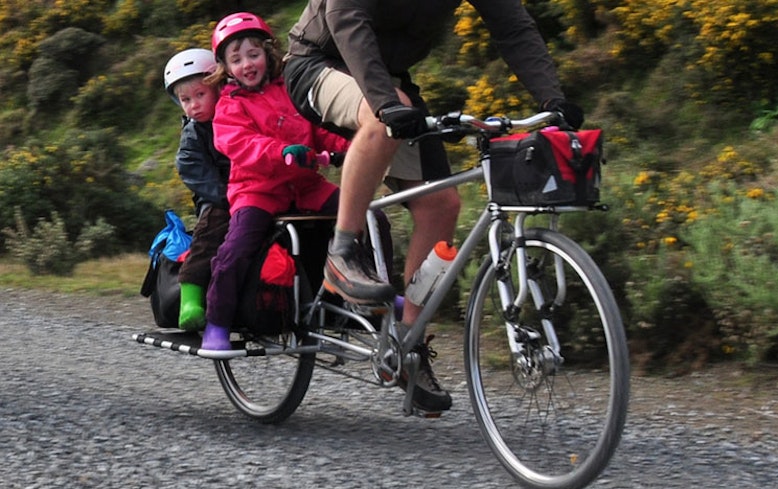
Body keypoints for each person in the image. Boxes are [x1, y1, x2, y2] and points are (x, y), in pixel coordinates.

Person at [283, 1, 585, 414]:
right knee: (379, 117)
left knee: (441, 205)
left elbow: (513, 29)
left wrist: (554, 100)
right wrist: (385, 100)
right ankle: (341, 252)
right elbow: (345, 16)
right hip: (317, 63)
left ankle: (407, 344)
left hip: (388, 80)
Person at [200, 12, 351, 350]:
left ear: (267, 54)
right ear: (225, 67)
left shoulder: (292, 90)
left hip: (305, 186)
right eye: (236, 60)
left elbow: (321, 130)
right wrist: (282, 151)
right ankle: (217, 322)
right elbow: (239, 144)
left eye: (253, 54)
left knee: (366, 216)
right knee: (236, 250)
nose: (247, 64)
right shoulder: (229, 105)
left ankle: (369, 298)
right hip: (257, 190)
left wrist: (354, 147)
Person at [162, 48, 231, 332]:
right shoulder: (193, 133)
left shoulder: (235, 115)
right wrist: (227, 197)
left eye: (200, 95)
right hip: (218, 198)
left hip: (256, 190)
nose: (193, 105)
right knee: (207, 235)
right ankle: (191, 299)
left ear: (218, 88)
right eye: (185, 100)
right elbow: (193, 170)